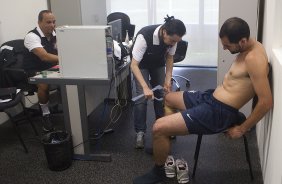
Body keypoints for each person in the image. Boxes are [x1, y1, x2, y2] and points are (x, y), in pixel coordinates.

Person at [133, 17, 273, 184]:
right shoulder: (250, 45)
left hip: (218, 112)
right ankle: (163, 142)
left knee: (158, 127)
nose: (224, 48)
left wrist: (242, 129)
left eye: (227, 46)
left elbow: (266, 102)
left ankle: (159, 169)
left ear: (242, 41)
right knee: (168, 98)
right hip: (210, 98)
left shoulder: (254, 59)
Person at [131, 15, 186, 149]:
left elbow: (169, 58)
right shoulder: (144, 36)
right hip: (141, 65)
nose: (173, 44)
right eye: (172, 41)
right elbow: (133, 65)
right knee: (142, 98)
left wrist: (168, 79)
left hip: (158, 63)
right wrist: (145, 87)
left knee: (162, 95)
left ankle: (163, 127)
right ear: (164, 32)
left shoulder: (173, 38)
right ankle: (140, 132)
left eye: (176, 41)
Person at [23, 10, 59, 132]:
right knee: (44, 82)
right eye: (48, 22)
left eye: (54, 22)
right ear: (39, 22)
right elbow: (44, 56)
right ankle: (45, 113)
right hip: (34, 70)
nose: (52, 25)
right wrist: (66, 59)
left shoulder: (55, 34)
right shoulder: (31, 36)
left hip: (50, 68)